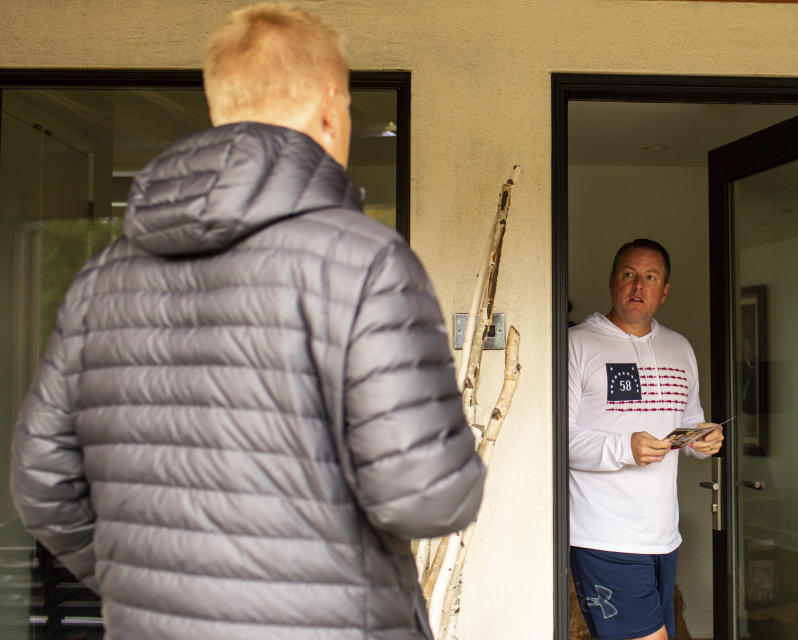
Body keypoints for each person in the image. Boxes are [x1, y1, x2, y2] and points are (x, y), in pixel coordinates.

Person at [9, 4, 484, 639]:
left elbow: (41, 482)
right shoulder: (365, 263)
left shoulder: (102, 279)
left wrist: (152, 584)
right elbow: (426, 495)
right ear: (328, 107)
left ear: (221, 109)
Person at [568, 238, 724, 640]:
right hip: (603, 534)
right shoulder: (577, 344)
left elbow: (688, 420)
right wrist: (624, 448)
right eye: (629, 275)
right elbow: (560, 440)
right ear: (612, 282)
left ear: (664, 290)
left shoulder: (680, 348)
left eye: (650, 278)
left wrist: (700, 439)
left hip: (662, 535)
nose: (639, 286)